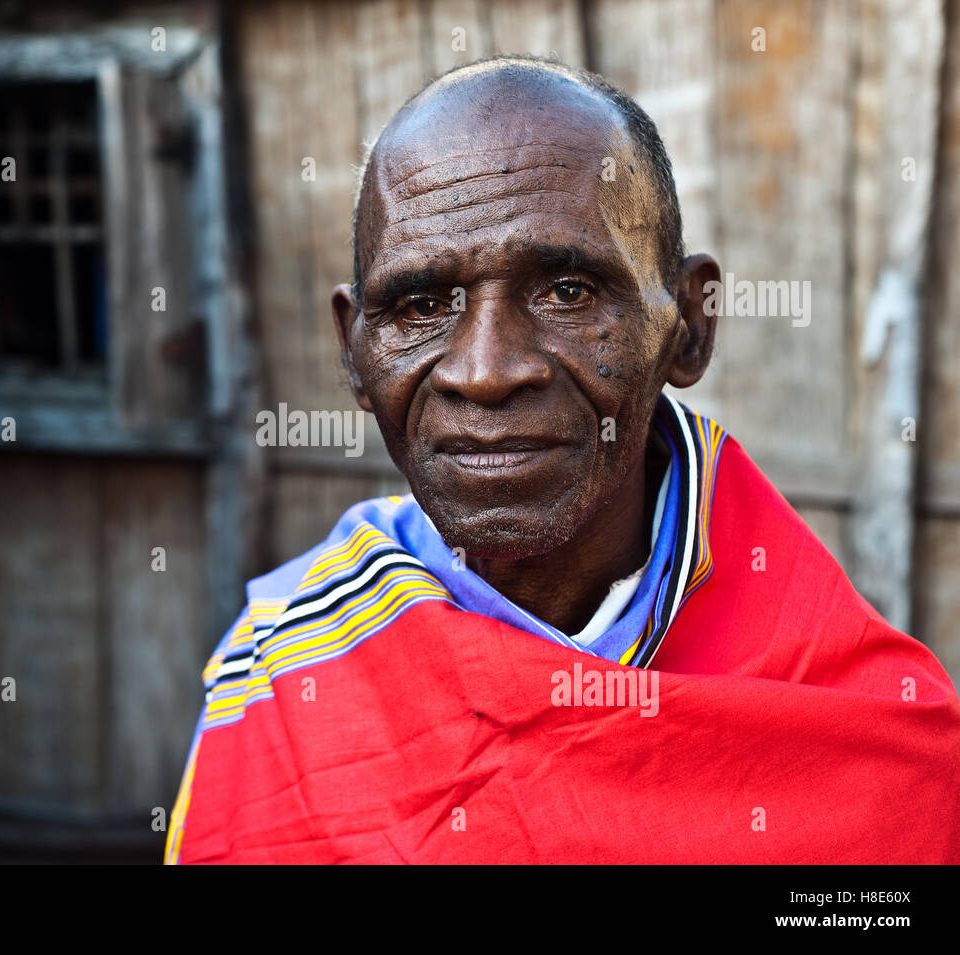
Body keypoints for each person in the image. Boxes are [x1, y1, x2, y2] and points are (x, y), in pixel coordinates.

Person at [166, 55, 960, 864]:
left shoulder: (871, 736)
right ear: (354, 352)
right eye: (422, 305)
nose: (486, 370)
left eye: (569, 291)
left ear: (690, 324)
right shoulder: (287, 670)